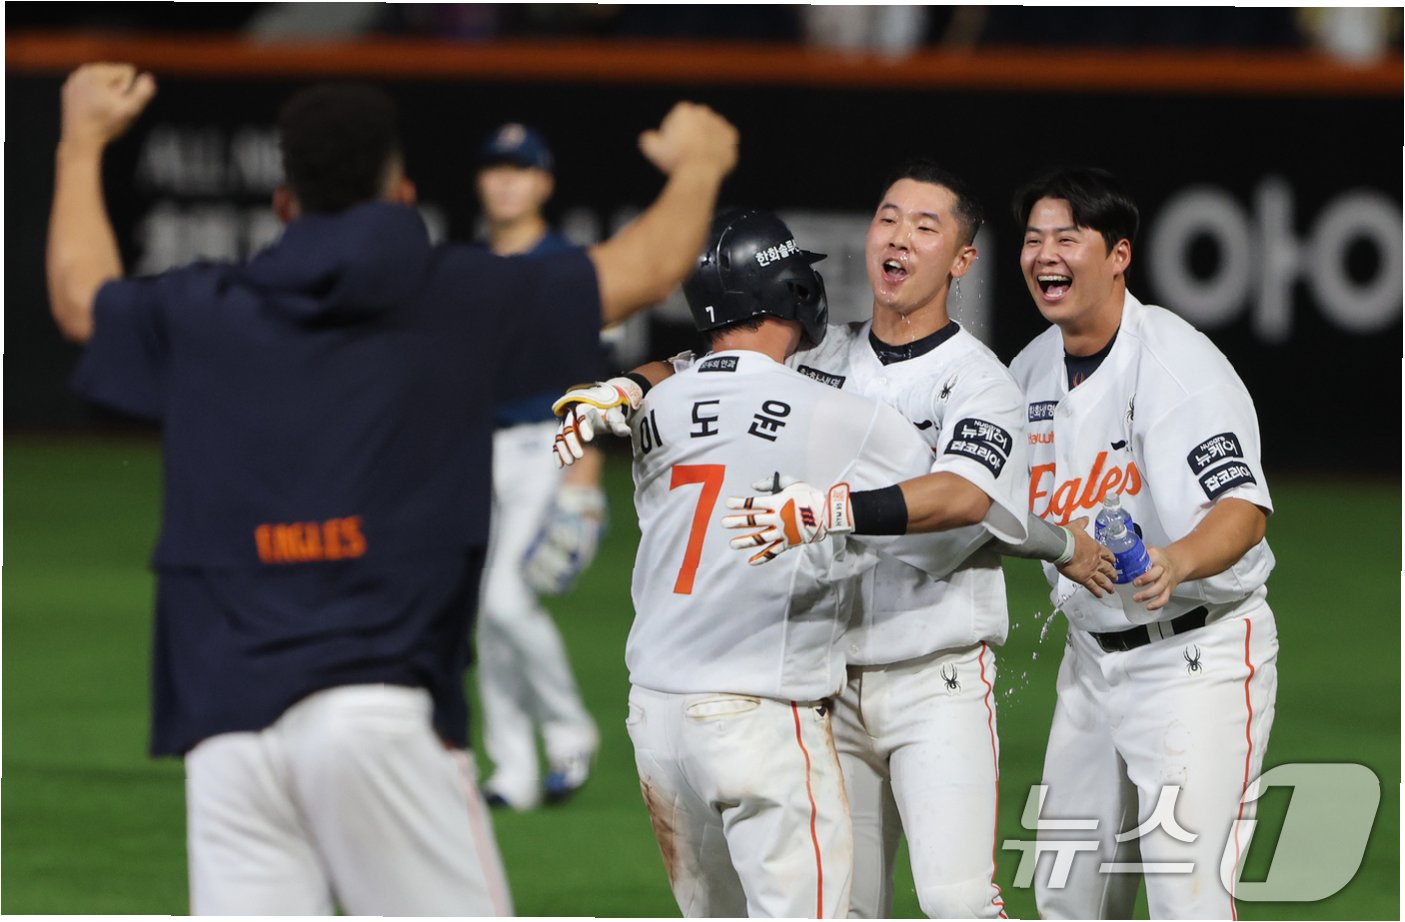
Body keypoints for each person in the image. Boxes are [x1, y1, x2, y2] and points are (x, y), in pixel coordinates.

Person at [46, 62, 737, 915]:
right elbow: (648, 267)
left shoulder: (205, 308)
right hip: (377, 712)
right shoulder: (457, 298)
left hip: (227, 729)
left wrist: (81, 142)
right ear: (403, 192)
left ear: (284, 203)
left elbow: (81, 300)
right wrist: (699, 163)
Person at [556, 160, 1114, 918]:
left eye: (925, 226)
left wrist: (833, 510)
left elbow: (965, 497)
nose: (898, 237)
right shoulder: (816, 356)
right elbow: (705, 364)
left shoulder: (979, 382)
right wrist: (628, 385)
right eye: (887, 218)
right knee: (850, 906)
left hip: (933, 674)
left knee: (958, 904)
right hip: (828, 683)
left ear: (961, 260)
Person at [621, 207, 937, 918]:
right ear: (789, 292)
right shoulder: (831, 412)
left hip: (656, 720)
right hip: (757, 716)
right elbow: (955, 501)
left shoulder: (654, 405)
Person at [1007, 166, 1278, 919]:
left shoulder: (1176, 365)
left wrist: (1176, 559)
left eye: (1067, 237)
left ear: (1119, 254)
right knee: (1067, 900)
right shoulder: (1028, 371)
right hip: (1090, 664)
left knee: (1187, 903)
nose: (1045, 254)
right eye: (1033, 239)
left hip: (1194, 659)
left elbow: (1242, 508)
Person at [472, 122, 603, 810]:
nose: (506, 181)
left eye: (520, 169)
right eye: (496, 168)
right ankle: (512, 770)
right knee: (484, 612)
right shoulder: (468, 266)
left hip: (545, 447)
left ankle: (569, 729)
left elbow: (591, 376)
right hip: (475, 449)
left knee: (505, 600)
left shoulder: (567, 267)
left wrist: (583, 476)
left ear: (544, 183)